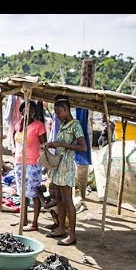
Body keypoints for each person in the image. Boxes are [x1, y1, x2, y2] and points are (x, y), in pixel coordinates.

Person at [44, 96, 87, 246]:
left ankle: (72, 235)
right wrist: (53, 145)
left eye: (58, 112)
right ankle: (61, 228)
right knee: (61, 200)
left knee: (68, 201)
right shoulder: (63, 125)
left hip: (67, 166)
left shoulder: (75, 125)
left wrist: (61, 144)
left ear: (66, 109)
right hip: (59, 166)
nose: (56, 115)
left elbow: (83, 147)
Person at [14, 100, 47, 231]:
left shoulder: (39, 126)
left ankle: (34, 223)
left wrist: (45, 164)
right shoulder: (18, 125)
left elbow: (44, 145)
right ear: (22, 111)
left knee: (34, 193)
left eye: (33, 110)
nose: (31, 112)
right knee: (22, 193)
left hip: (33, 164)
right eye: (28, 109)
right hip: (19, 163)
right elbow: (15, 141)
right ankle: (23, 219)